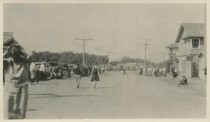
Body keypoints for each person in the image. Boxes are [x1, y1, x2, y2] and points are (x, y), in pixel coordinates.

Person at [3, 37, 30, 119]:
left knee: (20, 112)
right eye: (14, 54)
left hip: (21, 88)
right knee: (10, 111)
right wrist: (11, 49)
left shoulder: (25, 62)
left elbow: (30, 54)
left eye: (17, 54)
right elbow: (29, 54)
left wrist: (16, 46)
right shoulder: (9, 62)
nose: (15, 57)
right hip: (12, 88)